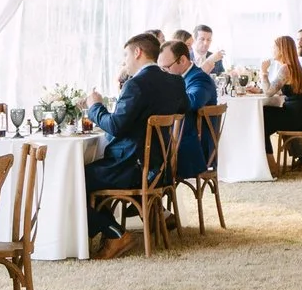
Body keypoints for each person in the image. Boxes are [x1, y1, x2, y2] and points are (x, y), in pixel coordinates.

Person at [84, 32, 191, 248]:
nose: (125, 62)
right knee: (88, 174)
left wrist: (94, 106)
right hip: (160, 168)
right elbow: (183, 108)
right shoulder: (175, 82)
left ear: (137, 52)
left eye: (126, 56)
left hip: (133, 168)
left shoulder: (136, 85)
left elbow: (115, 125)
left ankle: (114, 233)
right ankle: (144, 217)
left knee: (76, 179)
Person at [163, 40, 219, 179]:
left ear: (182, 60)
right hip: (183, 141)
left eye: (166, 68)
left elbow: (193, 102)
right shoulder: (185, 77)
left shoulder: (200, 78)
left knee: (146, 158)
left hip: (196, 150)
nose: (164, 73)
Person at [263, 35, 302, 157]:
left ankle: (269, 164)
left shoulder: (285, 69)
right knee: (264, 116)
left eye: (274, 48)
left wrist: (263, 72)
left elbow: (268, 92)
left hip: (296, 118)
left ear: (282, 49)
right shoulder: (294, 68)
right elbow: (285, 90)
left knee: (261, 118)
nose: (272, 50)